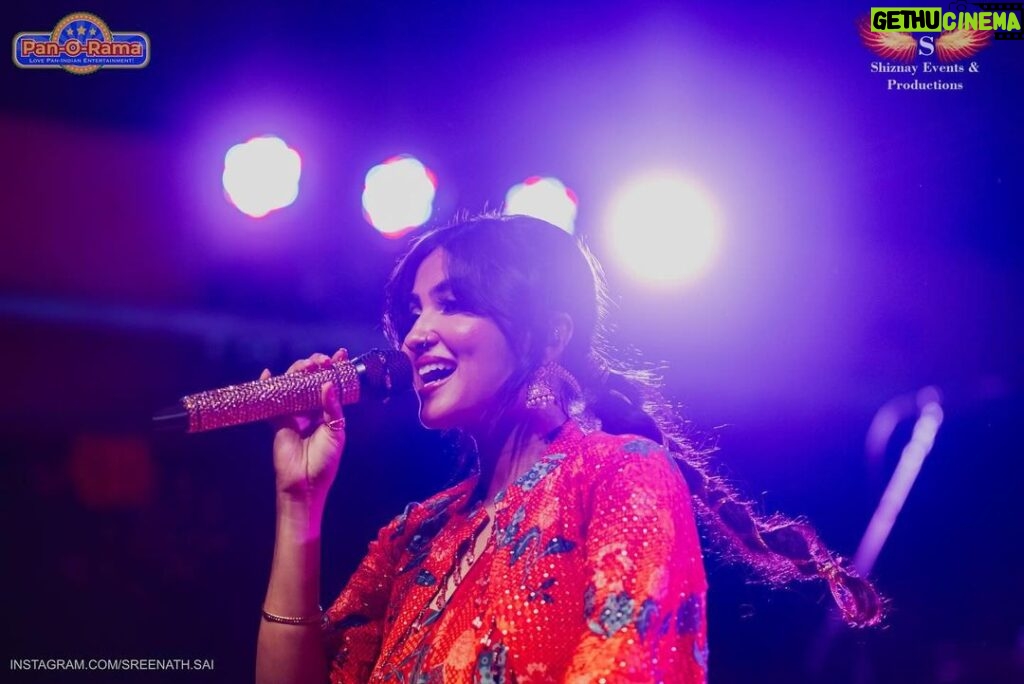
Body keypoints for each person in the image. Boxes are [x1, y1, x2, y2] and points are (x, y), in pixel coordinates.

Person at [255, 214, 881, 684]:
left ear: (549, 335)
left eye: (452, 304)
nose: (417, 335)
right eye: (414, 313)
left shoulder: (620, 476)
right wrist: (296, 502)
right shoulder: (412, 537)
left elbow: (627, 666)